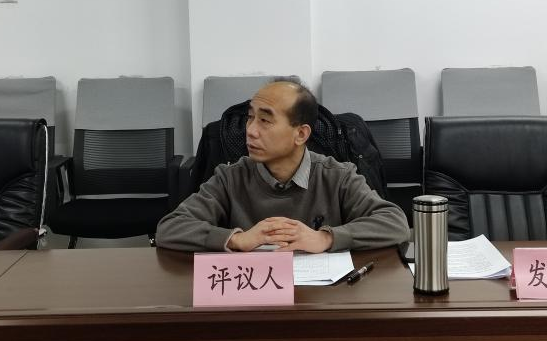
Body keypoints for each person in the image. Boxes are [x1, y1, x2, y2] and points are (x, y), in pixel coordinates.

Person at [156, 78, 409, 252]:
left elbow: (395, 223)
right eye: (250, 118)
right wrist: (236, 239)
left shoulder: (337, 176)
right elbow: (170, 228)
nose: (250, 131)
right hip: (254, 299)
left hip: (320, 300)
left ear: (301, 134)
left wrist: (325, 238)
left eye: (265, 121)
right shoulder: (230, 177)